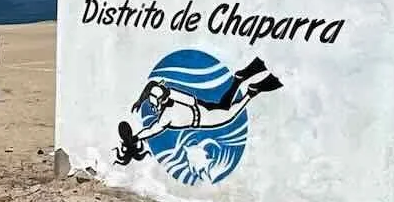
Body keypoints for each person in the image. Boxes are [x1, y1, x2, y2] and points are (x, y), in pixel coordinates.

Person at [115, 56, 281, 164]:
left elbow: (187, 102)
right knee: (224, 106)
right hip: (202, 110)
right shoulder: (166, 114)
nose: (153, 105)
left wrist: (136, 137)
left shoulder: (167, 113)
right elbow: (151, 129)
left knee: (229, 114)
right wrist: (136, 137)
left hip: (204, 116)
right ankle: (238, 81)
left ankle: (251, 92)